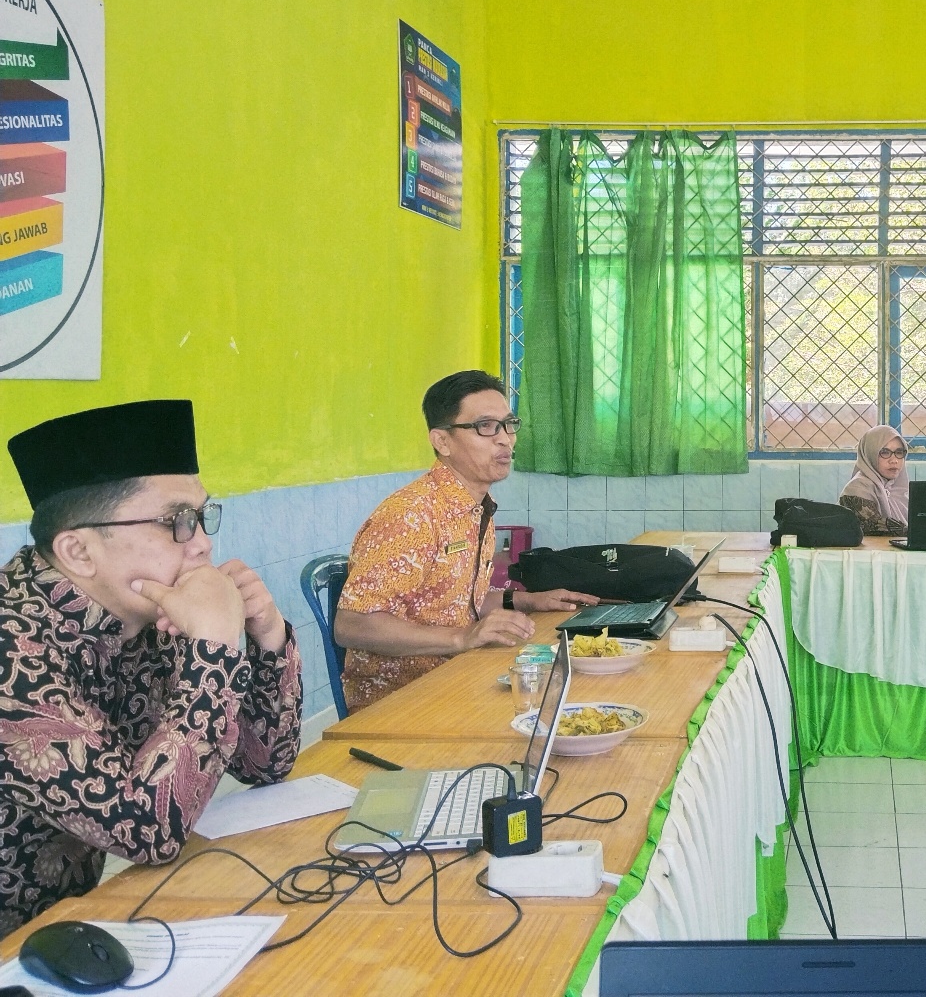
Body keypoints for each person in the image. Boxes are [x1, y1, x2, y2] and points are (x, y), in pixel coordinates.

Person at [0, 400, 303, 934]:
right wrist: (213, 646)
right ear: (78, 551)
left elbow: (262, 765)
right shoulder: (10, 652)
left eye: (202, 517)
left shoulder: (143, 614)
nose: (203, 545)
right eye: (177, 523)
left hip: (63, 931)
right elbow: (147, 831)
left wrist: (266, 636)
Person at [334, 371, 600, 712]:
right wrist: (462, 638)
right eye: (486, 426)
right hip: (403, 704)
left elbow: (460, 599)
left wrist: (530, 601)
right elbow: (352, 625)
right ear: (442, 441)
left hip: (458, 679)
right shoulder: (411, 516)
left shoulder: (473, 507)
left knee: (569, 695)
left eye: (508, 424)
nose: (505, 439)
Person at [838, 426, 910, 536]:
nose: (894, 460)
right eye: (885, 452)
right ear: (870, 453)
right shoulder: (857, 489)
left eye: (899, 452)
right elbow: (877, 528)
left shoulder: (901, 488)